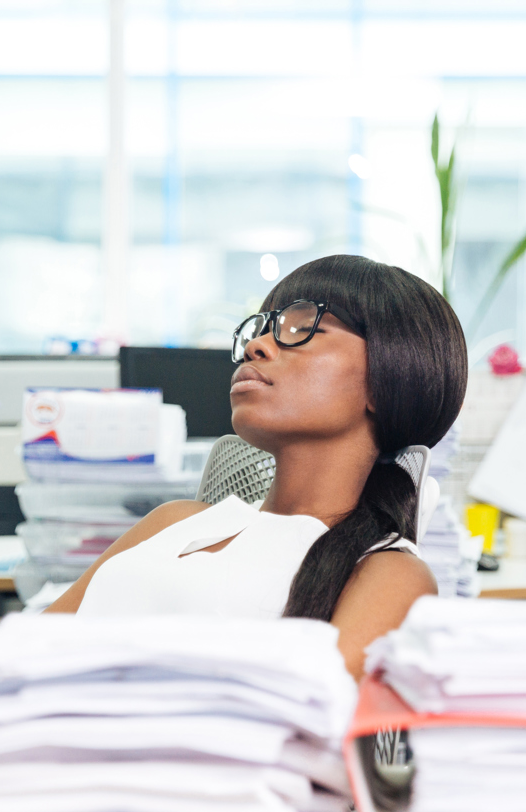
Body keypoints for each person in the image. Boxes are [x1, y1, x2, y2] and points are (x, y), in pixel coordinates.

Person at [46, 254, 469, 677]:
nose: (256, 345)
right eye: (261, 329)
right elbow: (22, 652)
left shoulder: (386, 571)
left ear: (388, 376)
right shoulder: (173, 521)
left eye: (303, 329)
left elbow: (312, 722)